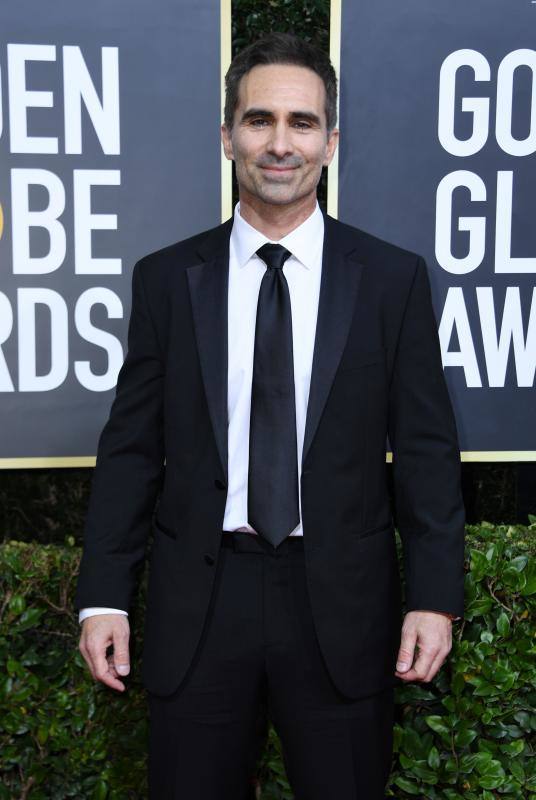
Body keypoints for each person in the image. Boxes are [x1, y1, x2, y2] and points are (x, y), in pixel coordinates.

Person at [75, 32, 465, 800]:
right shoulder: (166, 280)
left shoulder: (390, 281)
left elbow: (425, 451)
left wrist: (433, 596)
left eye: (301, 122)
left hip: (343, 609)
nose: (279, 143)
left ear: (330, 142)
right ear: (227, 137)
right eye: (259, 121)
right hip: (202, 604)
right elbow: (131, 452)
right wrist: (103, 595)